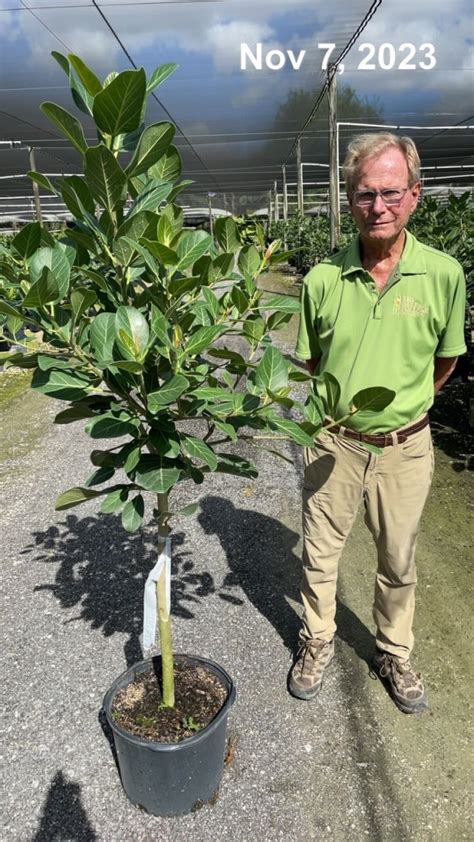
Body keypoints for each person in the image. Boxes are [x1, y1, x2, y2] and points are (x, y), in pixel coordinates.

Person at [290, 132, 466, 713]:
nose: (378, 206)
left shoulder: (442, 275)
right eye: (365, 194)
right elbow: (311, 362)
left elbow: (446, 360)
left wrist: (404, 412)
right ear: (349, 198)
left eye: (391, 192)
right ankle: (316, 639)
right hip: (334, 441)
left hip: (404, 450)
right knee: (320, 551)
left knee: (398, 558)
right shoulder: (321, 280)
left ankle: (393, 650)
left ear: (415, 196)